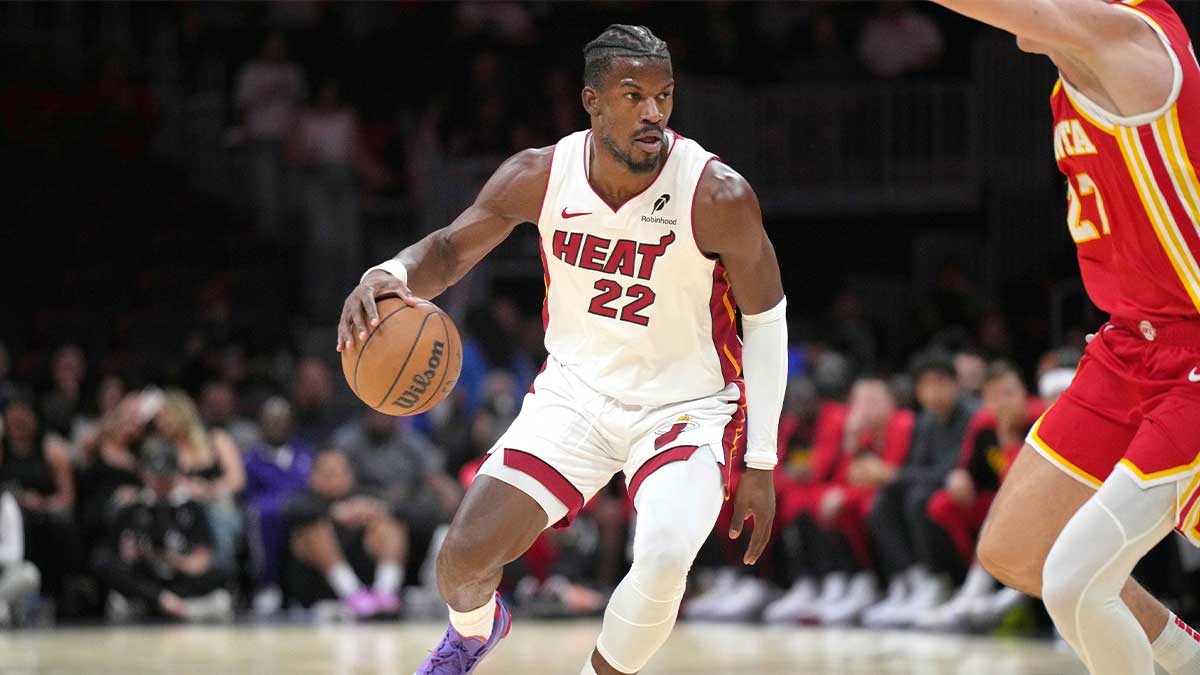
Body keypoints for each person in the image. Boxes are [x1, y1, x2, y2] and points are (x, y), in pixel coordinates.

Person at [338, 24, 786, 675]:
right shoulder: (539, 176)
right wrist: (392, 274)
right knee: (460, 560)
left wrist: (762, 459)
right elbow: (449, 249)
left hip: (685, 410)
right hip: (575, 394)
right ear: (591, 101)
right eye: (633, 95)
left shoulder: (716, 195)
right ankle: (474, 631)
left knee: (662, 556)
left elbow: (767, 319)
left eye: (664, 95)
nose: (653, 111)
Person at [928, 2, 1200, 673]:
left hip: (1194, 350)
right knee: (1019, 549)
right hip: (1127, 347)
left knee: (1075, 579)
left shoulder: (1129, 39)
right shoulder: (1073, 69)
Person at [861, 349, 977, 628]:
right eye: (925, 384)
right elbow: (917, 469)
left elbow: (951, 471)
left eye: (940, 381)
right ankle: (914, 581)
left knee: (918, 499)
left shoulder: (972, 416)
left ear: (954, 383)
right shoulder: (926, 421)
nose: (933, 391)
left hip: (969, 491)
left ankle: (944, 580)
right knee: (882, 502)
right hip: (934, 488)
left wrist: (894, 474)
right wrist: (891, 475)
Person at [94, 438, 232, 622]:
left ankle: (160, 606)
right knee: (104, 563)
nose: (160, 482)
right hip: (147, 580)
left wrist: (166, 557)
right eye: (155, 475)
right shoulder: (132, 507)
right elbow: (122, 557)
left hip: (180, 577)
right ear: (143, 473)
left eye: (165, 476)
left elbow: (200, 561)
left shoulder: (191, 508)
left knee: (223, 572)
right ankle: (163, 603)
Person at [284, 449, 406, 619]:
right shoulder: (304, 499)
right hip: (316, 591)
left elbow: (404, 509)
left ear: (350, 475)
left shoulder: (364, 494)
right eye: (327, 473)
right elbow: (290, 511)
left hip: (367, 584)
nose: (333, 479)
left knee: (388, 526)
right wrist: (334, 512)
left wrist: (374, 509)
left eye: (338, 472)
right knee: (313, 530)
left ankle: (385, 592)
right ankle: (351, 593)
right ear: (313, 476)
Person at [153, 390, 245, 572]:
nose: (160, 423)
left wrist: (208, 489)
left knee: (220, 512)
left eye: (165, 416)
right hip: (182, 508)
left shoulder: (216, 438)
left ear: (181, 414)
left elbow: (237, 479)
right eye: (158, 418)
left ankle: (220, 574)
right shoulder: (164, 449)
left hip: (216, 504)